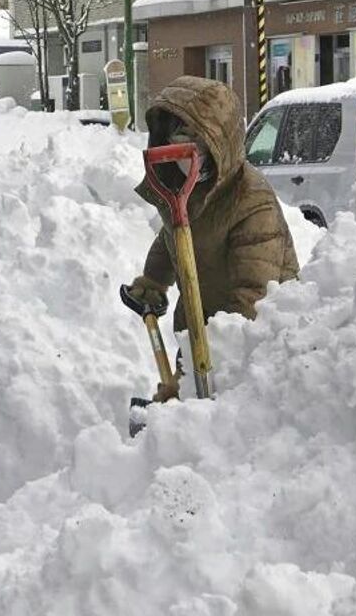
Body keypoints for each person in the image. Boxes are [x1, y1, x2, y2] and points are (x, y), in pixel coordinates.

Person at [124, 76, 299, 398]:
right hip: (198, 321)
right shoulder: (183, 188)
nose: (187, 148)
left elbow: (255, 293)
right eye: (179, 134)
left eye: (198, 139)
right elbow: (171, 237)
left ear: (220, 142)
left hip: (253, 338)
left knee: (223, 417)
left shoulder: (250, 200)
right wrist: (153, 281)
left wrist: (225, 351)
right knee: (185, 405)